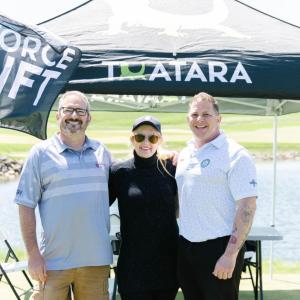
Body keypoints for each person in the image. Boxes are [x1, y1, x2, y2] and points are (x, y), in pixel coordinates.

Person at [15, 91, 112, 300]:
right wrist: (33, 255)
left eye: (80, 111)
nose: (74, 116)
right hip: (51, 264)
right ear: (58, 116)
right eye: (68, 110)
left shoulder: (102, 152)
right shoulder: (40, 154)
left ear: (89, 117)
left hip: (95, 262)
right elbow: (25, 205)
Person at [175, 92, 257, 300]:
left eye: (206, 114)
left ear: (218, 119)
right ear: (188, 119)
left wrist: (230, 255)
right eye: (194, 115)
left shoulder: (236, 155)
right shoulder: (185, 153)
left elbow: (247, 207)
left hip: (219, 248)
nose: (199, 120)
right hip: (186, 247)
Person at [109, 116, 179, 300]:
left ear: (160, 140)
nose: (146, 142)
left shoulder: (172, 168)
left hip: (167, 266)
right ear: (132, 139)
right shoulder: (118, 172)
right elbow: (97, 207)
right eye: (140, 137)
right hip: (133, 268)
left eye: (152, 137)